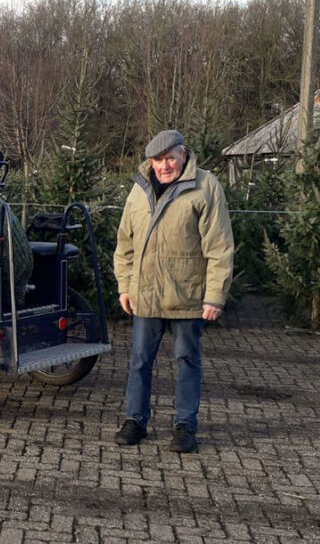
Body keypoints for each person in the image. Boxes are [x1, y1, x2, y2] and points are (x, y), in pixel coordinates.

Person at [112, 130, 234, 453]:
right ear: (150, 162)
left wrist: (214, 296)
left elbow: (220, 247)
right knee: (139, 361)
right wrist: (125, 285)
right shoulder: (139, 190)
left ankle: (185, 426)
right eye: (157, 160)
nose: (164, 166)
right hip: (146, 296)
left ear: (183, 155)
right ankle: (135, 420)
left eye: (169, 158)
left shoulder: (205, 186)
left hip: (187, 296)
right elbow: (125, 243)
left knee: (187, 360)